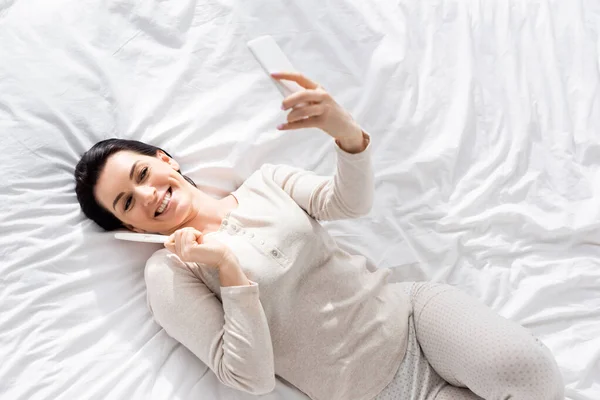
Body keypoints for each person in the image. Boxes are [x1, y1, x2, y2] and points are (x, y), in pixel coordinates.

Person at [74, 72, 564, 400]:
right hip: (371, 390)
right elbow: (249, 376)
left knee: (530, 372)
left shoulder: (266, 182)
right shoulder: (171, 272)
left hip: (413, 316)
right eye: (126, 203)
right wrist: (228, 270)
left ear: (165, 159)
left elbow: (348, 203)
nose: (146, 195)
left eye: (141, 173)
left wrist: (346, 134)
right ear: (131, 227)